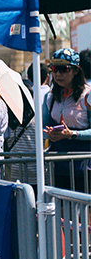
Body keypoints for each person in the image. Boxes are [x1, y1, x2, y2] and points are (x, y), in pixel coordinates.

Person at [43, 47, 90, 191]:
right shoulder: (49, 97)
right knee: (61, 210)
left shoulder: (87, 96)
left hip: (85, 167)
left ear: (76, 70)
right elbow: (42, 128)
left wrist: (73, 134)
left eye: (64, 69)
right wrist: (49, 133)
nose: (57, 74)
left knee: (84, 211)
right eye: (54, 68)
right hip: (58, 166)